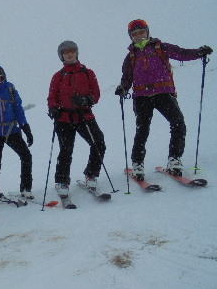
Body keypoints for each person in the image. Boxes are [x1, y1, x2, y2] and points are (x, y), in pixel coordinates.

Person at [115, 19, 213, 179]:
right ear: (131, 36)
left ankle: (175, 159)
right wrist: (123, 88)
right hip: (141, 97)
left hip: (164, 93)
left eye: (141, 32)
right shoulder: (131, 56)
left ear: (147, 32)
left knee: (178, 123)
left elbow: (181, 53)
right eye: (134, 34)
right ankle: (137, 163)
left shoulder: (160, 47)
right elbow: (127, 78)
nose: (138, 36)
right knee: (142, 130)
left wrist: (198, 52)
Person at [48, 41, 105, 196]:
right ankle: (62, 181)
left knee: (98, 142)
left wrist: (85, 100)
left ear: (77, 53)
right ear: (61, 56)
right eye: (66, 52)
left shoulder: (88, 73)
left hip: (84, 116)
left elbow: (96, 94)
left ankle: (91, 174)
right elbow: (52, 97)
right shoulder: (58, 76)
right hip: (63, 118)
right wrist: (53, 109)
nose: (69, 54)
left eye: (72, 51)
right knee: (66, 151)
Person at [0, 65, 33, 205]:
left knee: (26, 156)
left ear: (4, 78)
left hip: (12, 131)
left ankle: (26, 188)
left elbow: (19, 111)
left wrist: (25, 128)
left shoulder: (12, 92)